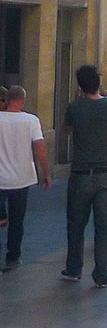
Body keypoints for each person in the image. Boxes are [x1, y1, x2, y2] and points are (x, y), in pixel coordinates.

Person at [62, 65, 107, 287]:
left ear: (80, 86)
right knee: (104, 225)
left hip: (81, 174)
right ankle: (100, 272)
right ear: (99, 83)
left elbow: (65, 131)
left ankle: (74, 268)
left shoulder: (75, 107)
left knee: (76, 224)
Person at [0, 86, 50, 271]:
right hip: (22, 178)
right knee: (17, 220)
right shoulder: (31, 120)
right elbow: (40, 148)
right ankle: (13, 256)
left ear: (7, 100)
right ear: (23, 100)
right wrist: (46, 172)